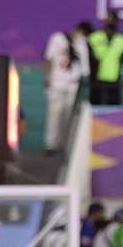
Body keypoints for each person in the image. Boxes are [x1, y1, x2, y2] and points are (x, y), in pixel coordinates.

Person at [43, 23, 88, 152]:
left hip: (72, 86)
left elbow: (84, 69)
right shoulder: (57, 38)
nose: (81, 36)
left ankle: (67, 146)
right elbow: (49, 58)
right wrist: (48, 77)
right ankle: (50, 145)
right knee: (54, 115)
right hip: (56, 84)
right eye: (81, 33)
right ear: (77, 30)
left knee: (70, 117)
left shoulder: (82, 45)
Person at [87, 13, 123, 105]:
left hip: (115, 79)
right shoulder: (94, 37)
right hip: (96, 79)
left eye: (113, 20)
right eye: (108, 19)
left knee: (113, 109)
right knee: (96, 107)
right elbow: (89, 58)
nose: (111, 22)